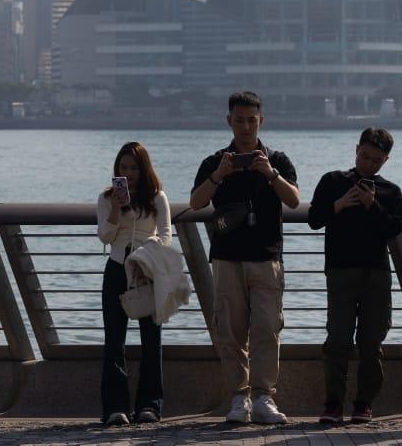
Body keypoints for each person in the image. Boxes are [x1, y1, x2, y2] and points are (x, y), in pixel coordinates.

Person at [190, 90, 300, 425]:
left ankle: (264, 396)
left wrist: (270, 174)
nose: (246, 127)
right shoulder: (215, 162)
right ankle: (239, 399)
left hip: (266, 257)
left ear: (261, 121)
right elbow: (196, 203)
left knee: (268, 328)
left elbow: (294, 200)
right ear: (229, 121)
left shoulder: (277, 160)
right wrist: (218, 175)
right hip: (227, 257)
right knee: (231, 332)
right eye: (239, 120)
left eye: (252, 120)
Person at [307, 127, 402, 425]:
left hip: (376, 273)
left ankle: (363, 403)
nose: (368, 164)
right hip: (340, 272)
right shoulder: (333, 181)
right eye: (365, 156)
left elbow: (393, 229)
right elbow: (314, 219)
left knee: (371, 342)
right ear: (356, 150)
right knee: (337, 338)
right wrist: (338, 205)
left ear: (385, 160)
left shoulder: (390, 191)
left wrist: (371, 205)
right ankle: (333, 403)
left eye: (376, 160)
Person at [96, 141, 172, 426]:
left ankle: (150, 406)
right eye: (123, 168)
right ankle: (115, 408)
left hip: (147, 271)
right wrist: (116, 208)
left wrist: (146, 257)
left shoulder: (156, 197)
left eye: (134, 168)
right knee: (114, 341)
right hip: (116, 270)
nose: (128, 174)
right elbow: (105, 236)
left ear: (144, 169)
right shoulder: (105, 198)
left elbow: (166, 235)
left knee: (152, 342)